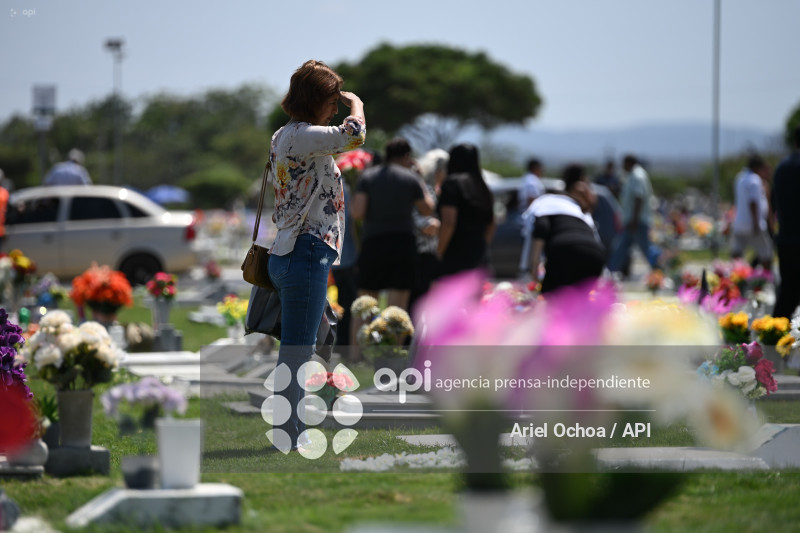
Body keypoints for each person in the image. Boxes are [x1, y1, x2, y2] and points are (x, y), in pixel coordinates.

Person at [267, 59, 365, 451]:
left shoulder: (285, 134)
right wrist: (357, 102)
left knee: (304, 344)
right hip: (306, 250)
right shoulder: (305, 135)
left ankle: (293, 425)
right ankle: (289, 434)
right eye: (331, 99)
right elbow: (354, 134)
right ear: (312, 100)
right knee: (297, 353)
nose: (337, 108)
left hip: (293, 249)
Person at [351, 138, 434, 311]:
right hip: (403, 245)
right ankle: (392, 338)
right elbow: (427, 209)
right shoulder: (411, 178)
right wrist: (419, 179)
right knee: (396, 310)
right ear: (407, 156)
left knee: (365, 307)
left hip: (373, 242)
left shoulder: (368, 176)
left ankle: (359, 338)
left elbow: (357, 212)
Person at [520, 164, 605, 293]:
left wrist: (534, 269)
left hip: (563, 249)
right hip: (595, 254)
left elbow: (541, 229)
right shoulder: (577, 210)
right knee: (582, 304)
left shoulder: (545, 204)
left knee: (552, 300)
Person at [436, 143, 495, 277]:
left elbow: (449, 222)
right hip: (479, 255)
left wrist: (439, 251)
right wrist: (481, 247)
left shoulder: (452, 183)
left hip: (455, 255)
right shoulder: (483, 186)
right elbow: (492, 223)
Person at [408, 148, 448, 315]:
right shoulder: (425, 189)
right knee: (419, 301)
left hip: (421, 251)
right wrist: (441, 225)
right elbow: (425, 225)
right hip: (422, 252)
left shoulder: (424, 186)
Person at [607, 154, 660, 274]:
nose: (622, 166)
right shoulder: (632, 175)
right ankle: (610, 272)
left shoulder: (637, 176)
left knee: (645, 248)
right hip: (632, 221)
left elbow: (638, 197)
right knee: (621, 248)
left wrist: (635, 219)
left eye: (624, 163)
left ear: (629, 163)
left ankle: (660, 269)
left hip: (637, 221)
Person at [772, 126, 800, 319]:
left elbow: (773, 202)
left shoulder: (781, 167)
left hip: (786, 239)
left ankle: (774, 335)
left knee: (788, 291)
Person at [730, 155, 772, 270]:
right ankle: (766, 276)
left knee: (737, 253)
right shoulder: (755, 180)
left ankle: (734, 276)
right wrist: (755, 223)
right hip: (753, 223)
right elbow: (752, 201)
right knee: (765, 252)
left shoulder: (740, 177)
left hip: (739, 222)